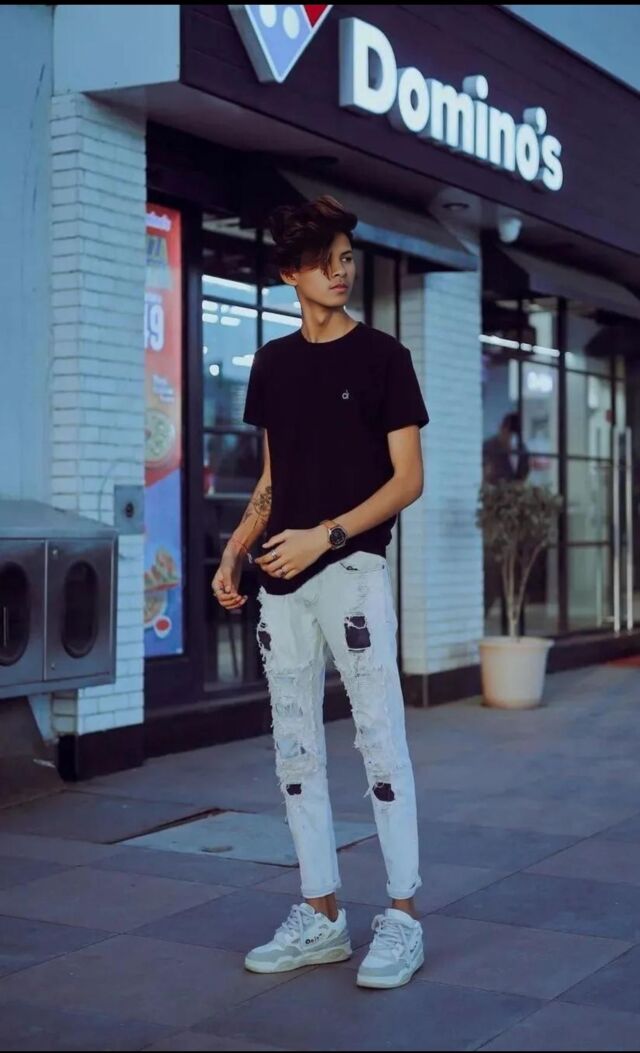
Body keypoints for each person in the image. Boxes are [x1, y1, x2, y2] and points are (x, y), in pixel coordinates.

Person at [211, 196, 429, 990]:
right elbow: (274, 477)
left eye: (346, 260)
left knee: (380, 741)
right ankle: (322, 914)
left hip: (352, 571)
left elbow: (407, 480)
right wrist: (237, 546)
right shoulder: (273, 363)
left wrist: (326, 535)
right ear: (290, 273)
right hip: (281, 581)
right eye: (326, 262)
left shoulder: (383, 358)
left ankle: (402, 917)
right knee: (295, 749)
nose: (341, 273)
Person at [482, 412, 530, 616]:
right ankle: (487, 607)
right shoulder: (489, 448)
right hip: (494, 518)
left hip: (514, 520)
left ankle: (511, 611)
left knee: (514, 566)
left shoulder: (522, 451)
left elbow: (523, 478)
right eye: (508, 435)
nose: (509, 440)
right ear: (503, 429)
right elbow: (484, 479)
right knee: (493, 566)